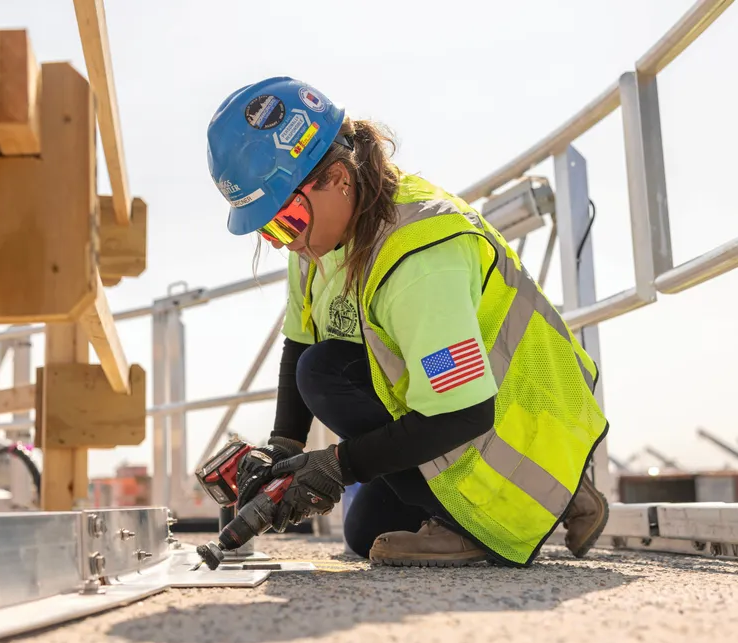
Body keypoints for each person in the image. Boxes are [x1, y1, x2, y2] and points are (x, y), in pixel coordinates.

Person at [205, 76, 610, 568]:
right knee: (365, 534)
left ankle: (496, 515)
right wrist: (281, 453)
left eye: (284, 221)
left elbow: (464, 412)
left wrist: (336, 466)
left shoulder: (422, 255)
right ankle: (563, 491)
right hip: (479, 423)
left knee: (324, 372)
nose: (281, 241)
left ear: (337, 177)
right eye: (267, 228)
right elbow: (298, 340)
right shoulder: (317, 238)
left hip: (502, 425)